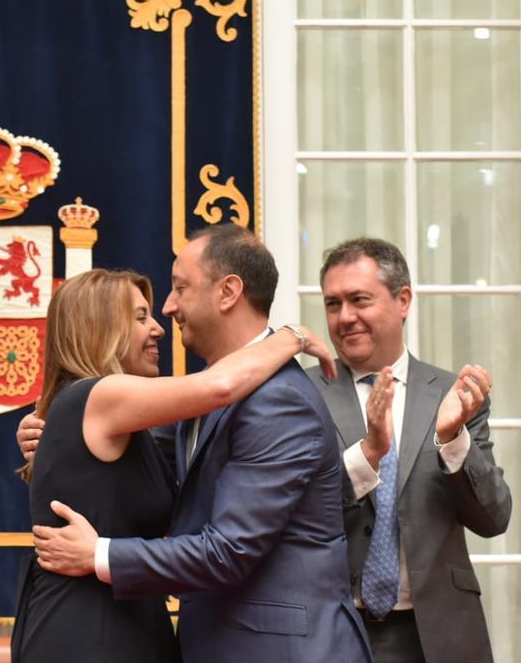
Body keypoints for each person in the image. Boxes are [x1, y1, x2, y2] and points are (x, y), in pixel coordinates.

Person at [31, 226, 372, 663]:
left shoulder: (276, 399)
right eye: (142, 315)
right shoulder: (197, 398)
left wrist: (99, 553)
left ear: (229, 292)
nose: (167, 311)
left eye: (179, 289)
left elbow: (229, 549)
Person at [315, 237, 511, 663]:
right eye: (333, 304)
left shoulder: (450, 395)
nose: (345, 317)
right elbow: (296, 509)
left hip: (439, 635)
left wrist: (452, 439)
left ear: (402, 300)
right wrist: (368, 453)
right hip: (334, 632)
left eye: (359, 300)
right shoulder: (301, 396)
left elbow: (494, 517)